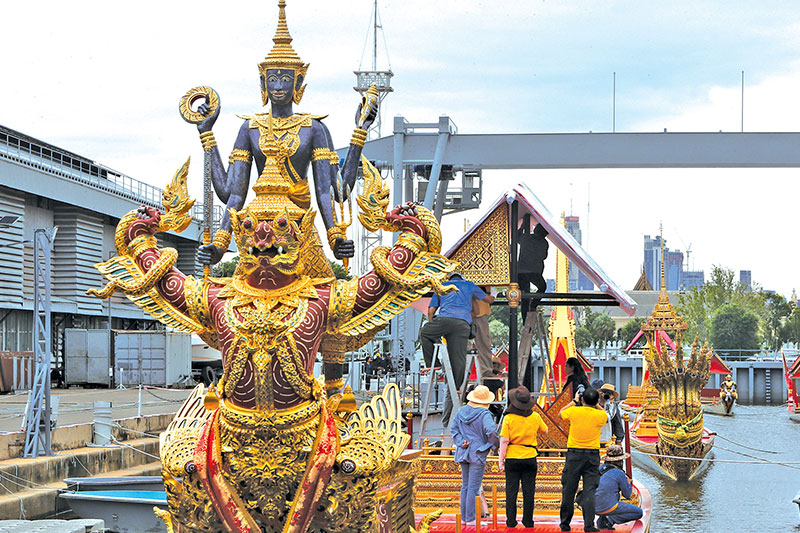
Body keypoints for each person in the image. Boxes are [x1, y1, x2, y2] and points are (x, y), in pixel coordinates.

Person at [421, 273, 495, 427]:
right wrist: (494, 293)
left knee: (426, 332)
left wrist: (434, 325)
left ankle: (434, 363)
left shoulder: (442, 286)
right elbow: (488, 300)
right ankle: (457, 387)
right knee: (458, 358)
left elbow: (431, 310)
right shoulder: (468, 285)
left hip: (444, 320)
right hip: (462, 325)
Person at [559, 388, 609, 532]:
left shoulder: (574, 411)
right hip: (592, 455)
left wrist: (574, 401)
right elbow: (604, 414)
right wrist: (596, 404)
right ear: (596, 401)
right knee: (589, 491)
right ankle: (588, 525)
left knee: (569, 490)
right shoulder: (600, 415)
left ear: (582, 400)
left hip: (574, 455)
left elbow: (561, 413)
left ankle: (565, 524)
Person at [498, 386, 549, 529]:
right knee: (529, 492)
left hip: (512, 457)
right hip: (530, 457)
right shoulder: (535, 416)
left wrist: (500, 461)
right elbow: (546, 430)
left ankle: (511, 521)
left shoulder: (508, 418)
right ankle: (528, 521)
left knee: (511, 492)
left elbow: (504, 441)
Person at [450, 385, 499, 526]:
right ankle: (471, 518)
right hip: (478, 452)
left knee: (465, 486)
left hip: (463, 450)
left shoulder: (461, 411)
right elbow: (491, 431)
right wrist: (495, 446)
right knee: (473, 487)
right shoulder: (484, 414)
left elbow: (454, 429)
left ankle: (465, 517)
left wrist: (460, 442)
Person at [594, 445, 643, 530]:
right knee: (638, 512)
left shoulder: (598, 469)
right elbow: (627, 495)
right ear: (620, 461)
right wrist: (628, 483)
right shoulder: (619, 473)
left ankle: (603, 518)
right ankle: (609, 520)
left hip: (591, 507)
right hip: (607, 507)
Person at [517, 215, 548, 322]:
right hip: (534, 271)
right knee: (542, 287)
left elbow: (517, 236)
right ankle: (533, 305)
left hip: (520, 271)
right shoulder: (544, 242)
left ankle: (525, 320)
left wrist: (522, 228)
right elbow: (544, 256)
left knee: (525, 295)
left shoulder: (526, 238)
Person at [471, 287, 494, 381]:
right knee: (462, 346)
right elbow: (490, 299)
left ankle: (486, 370)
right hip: (465, 312)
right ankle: (461, 371)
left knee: (484, 342)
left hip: (480, 311)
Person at [592, 380, 624, 445]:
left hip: (608, 438)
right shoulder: (592, 404)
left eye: (609, 393)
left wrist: (619, 440)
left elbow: (617, 423)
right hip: (594, 438)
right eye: (604, 392)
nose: (606, 395)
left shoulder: (613, 406)